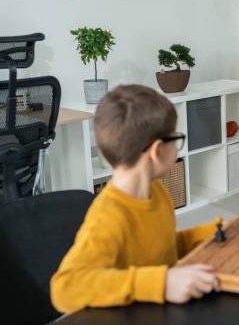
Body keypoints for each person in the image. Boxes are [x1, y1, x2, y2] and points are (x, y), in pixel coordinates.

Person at [51, 85, 219, 313]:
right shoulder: (108, 217)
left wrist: (211, 233)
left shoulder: (157, 192)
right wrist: (161, 283)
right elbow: (65, 288)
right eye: (176, 139)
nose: (178, 150)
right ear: (157, 150)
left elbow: (160, 250)